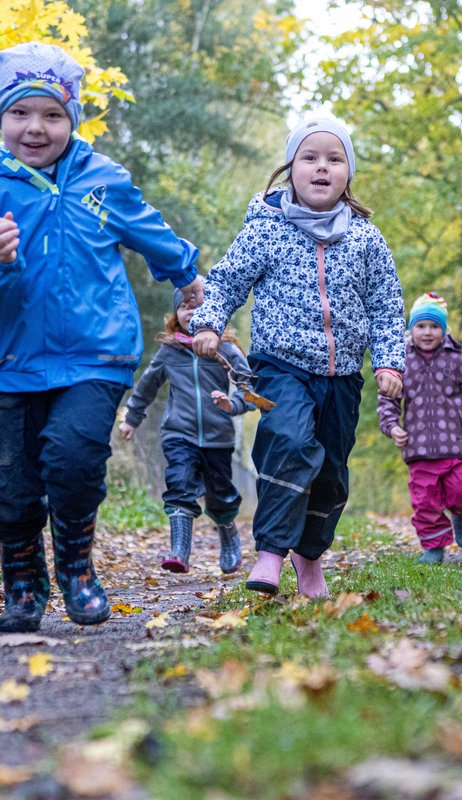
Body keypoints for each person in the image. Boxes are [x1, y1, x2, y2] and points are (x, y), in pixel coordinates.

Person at [0, 42, 203, 632]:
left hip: (95, 353)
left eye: (52, 115)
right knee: (11, 487)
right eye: (19, 113)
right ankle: (21, 582)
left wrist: (188, 278)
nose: (35, 128)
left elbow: (152, 232)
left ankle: (77, 569)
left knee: (74, 461)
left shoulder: (103, 179)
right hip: (9, 359)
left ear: (73, 120)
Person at [190, 117, 405, 598]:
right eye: (310, 157)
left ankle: (310, 560)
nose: (322, 167)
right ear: (290, 169)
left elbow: (387, 304)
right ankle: (270, 553)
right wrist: (206, 322)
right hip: (280, 365)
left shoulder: (366, 238)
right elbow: (227, 280)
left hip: (343, 374)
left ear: (349, 172)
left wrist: (390, 361)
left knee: (329, 471)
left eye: (335, 158)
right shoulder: (266, 229)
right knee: (287, 443)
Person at [119, 287, 255, 574]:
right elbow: (147, 385)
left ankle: (228, 534)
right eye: (184, 306)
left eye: (199, 306)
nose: (191, 311)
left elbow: (248, 388)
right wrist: (131, 417)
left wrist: (232, 405)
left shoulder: (226, 350)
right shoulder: (170, 351)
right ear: (175, 315)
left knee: (220, 495)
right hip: (179, 433)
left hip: (218, 436)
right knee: (179, 484)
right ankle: (179, 550)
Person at [378, 292, 462, 563]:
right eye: (421, 326)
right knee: (425, 503)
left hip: (456, 445)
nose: (427, 332)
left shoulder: (457, 358)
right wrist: (392, 426)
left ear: (443, 330)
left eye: (434, 327)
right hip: (418, 448)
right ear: (411, 329)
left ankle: (460, 514)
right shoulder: (401, 361)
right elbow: (388, 398)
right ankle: (434, 547)